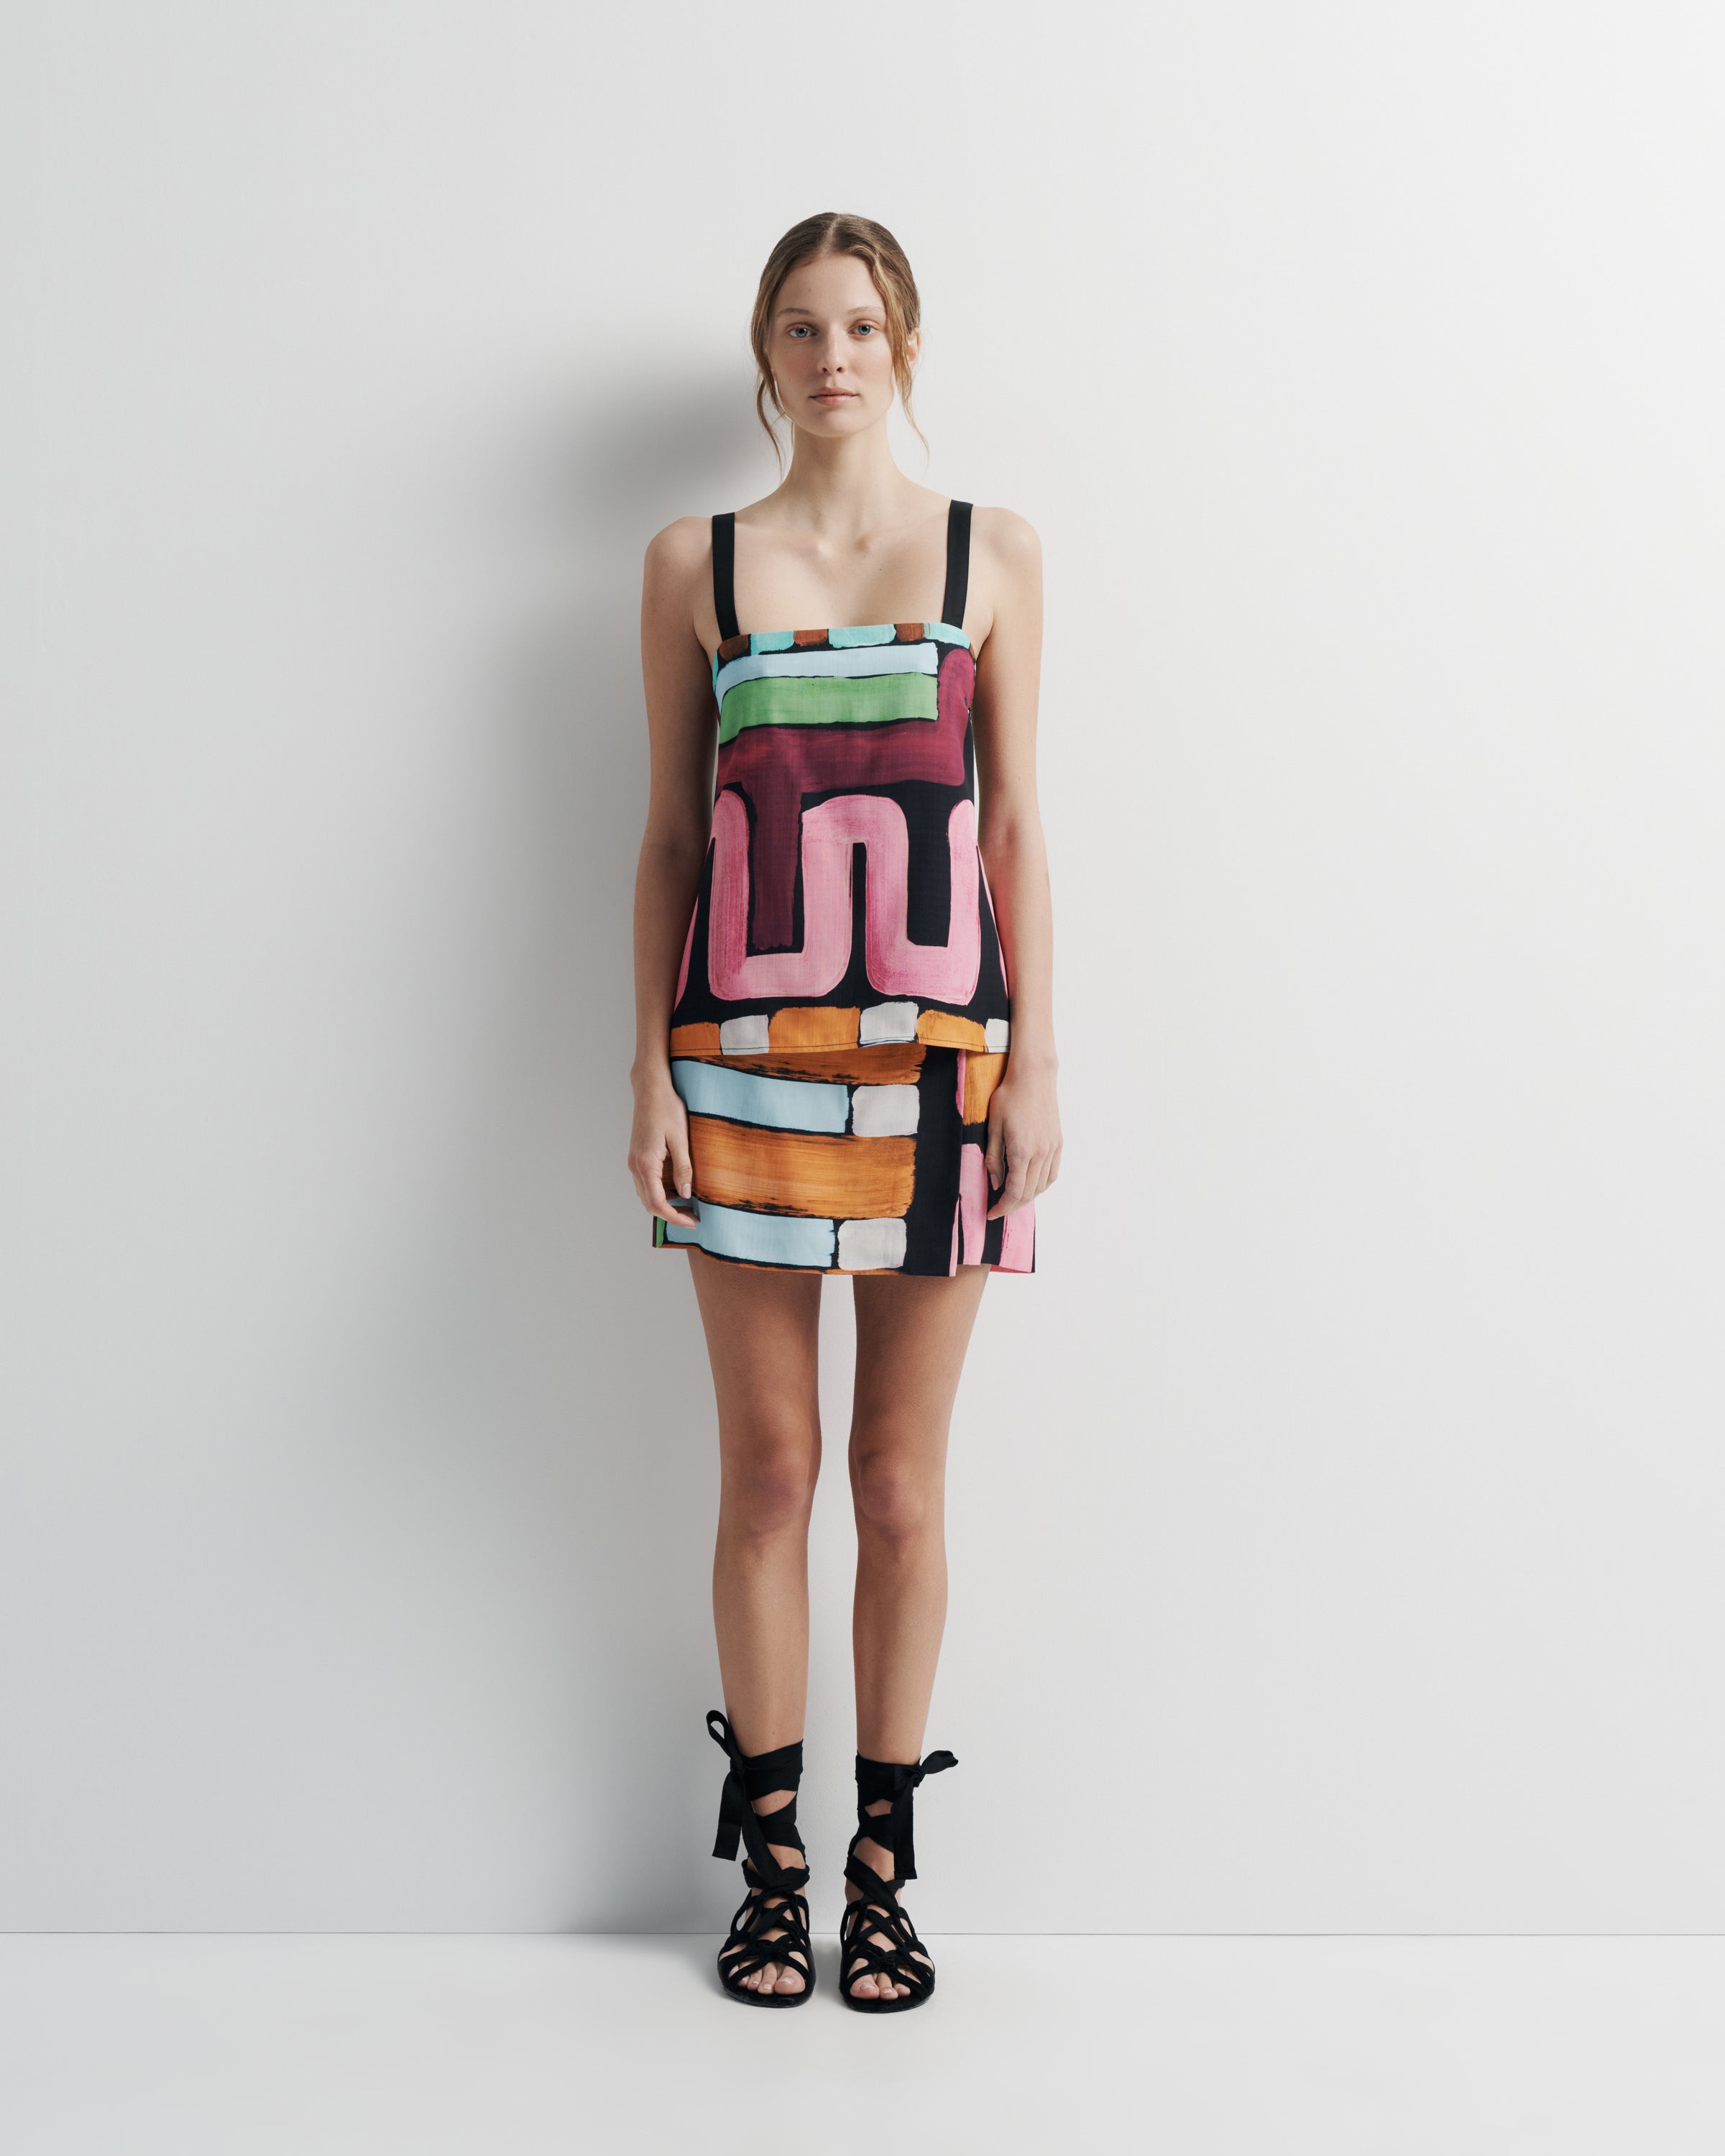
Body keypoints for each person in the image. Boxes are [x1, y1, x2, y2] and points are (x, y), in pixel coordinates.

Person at [627, 212, 1060, 2011]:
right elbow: (671, 836)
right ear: (766, 352)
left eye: (863, 327)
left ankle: (882, 1872)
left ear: (907, 347)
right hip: (737, 1068)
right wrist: (646, 1070)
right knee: (771, 1475)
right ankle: (771, 1869)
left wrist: (1040, 1065)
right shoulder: (695, 562)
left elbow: (1014, 824)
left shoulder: (991, 553)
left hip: (945, 1074)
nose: (833, 359)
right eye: (803, 329)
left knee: (895, 1484)